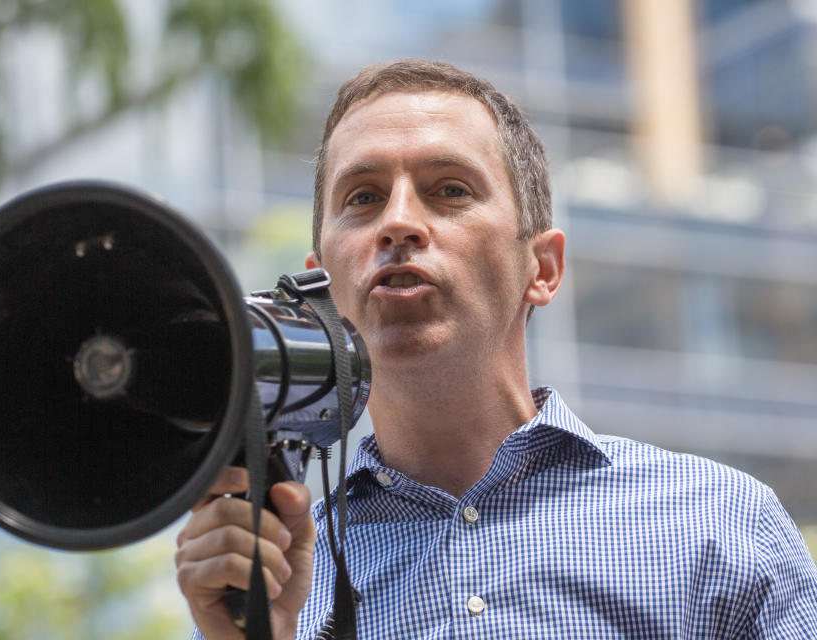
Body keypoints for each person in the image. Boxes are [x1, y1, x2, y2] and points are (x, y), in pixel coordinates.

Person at [174, 59, 817, 639]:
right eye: (362, 198)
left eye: (450, 189)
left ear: (542, 268)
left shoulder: (723, 526)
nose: (397, 221)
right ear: (321, 288)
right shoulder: (277, 586)